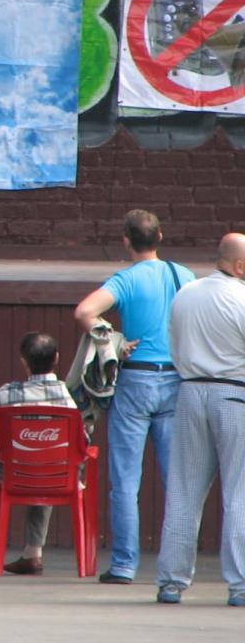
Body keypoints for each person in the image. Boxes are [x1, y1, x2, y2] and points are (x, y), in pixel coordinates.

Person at [74, 209, 195, 584]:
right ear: (160, 237)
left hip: (135, 379)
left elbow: (85, 311)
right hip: (176, 378)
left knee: (126, 480)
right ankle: (178, 566)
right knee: (178, 481)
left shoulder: (125, 280)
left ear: (126, 241)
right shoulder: (184, 276)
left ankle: (124, 564)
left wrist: (112, 339)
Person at [155, 233, 245, 607]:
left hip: (190, 392)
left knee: (184, 489)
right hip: (235, 394)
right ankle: (240, 584)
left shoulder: (186, 294)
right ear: (239, 265)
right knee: (239, 491)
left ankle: (171, 582)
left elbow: (175, 348)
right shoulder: (242, 298)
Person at [0, 332, 80, 575]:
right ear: (56, 358)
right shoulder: (70, 398)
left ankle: (27, 555)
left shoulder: (6, 394)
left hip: (13, 475)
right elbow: (84, 434)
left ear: (23, 361)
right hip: (60, 476)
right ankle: (33, 551)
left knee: (35, 461)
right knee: (50, 460)